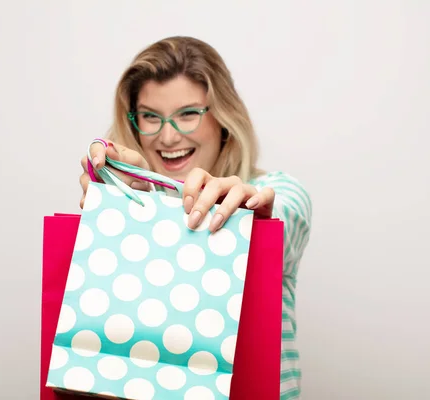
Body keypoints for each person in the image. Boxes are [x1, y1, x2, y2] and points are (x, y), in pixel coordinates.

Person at [79, 36, 312, 400]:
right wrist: (121, 204)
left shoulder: (279, 190)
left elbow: (285, 214)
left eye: (188, 113)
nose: (169, 136)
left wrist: (254, 212)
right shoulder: (129, 209)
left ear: (223, 118)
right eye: (150, 117)